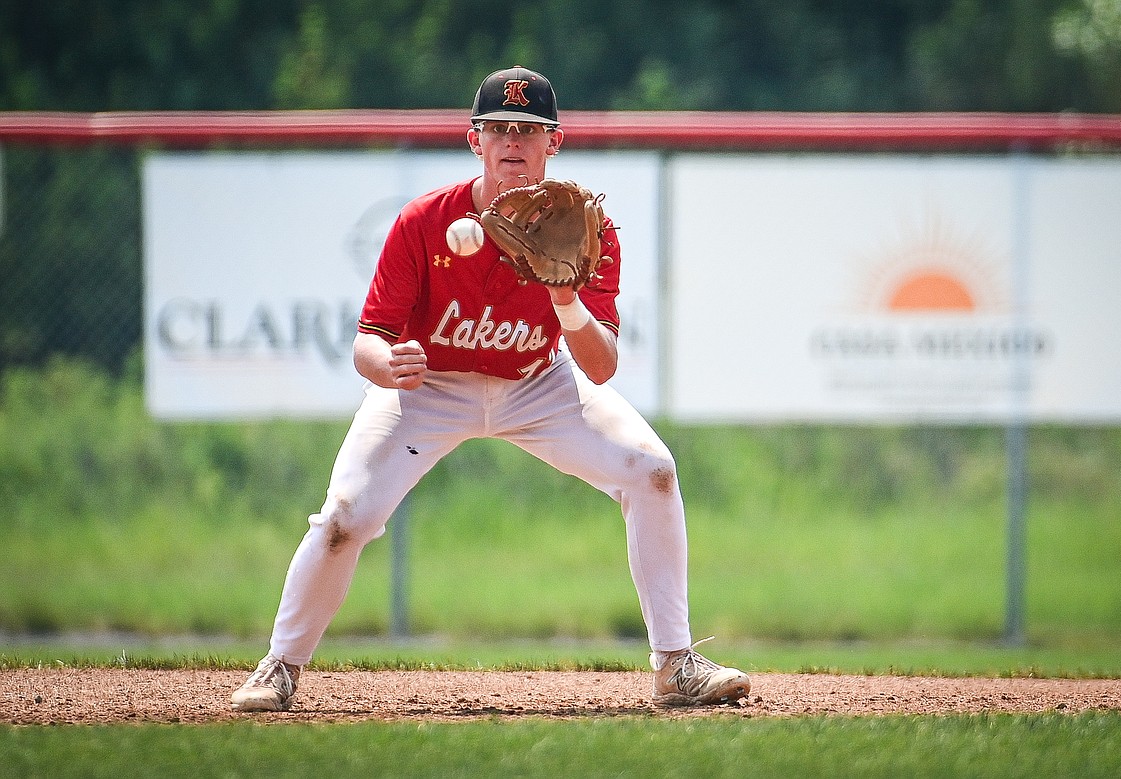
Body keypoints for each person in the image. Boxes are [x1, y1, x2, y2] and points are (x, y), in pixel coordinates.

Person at [230, 66, 751, 712]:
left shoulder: (586, 230)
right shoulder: (423, 223)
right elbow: (367, 340)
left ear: (553, 143)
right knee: (347, 515)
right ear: (474, 140)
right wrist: (388, 362)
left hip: (538, 383)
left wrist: (565, 298)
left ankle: (675, 666)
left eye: (528, 131)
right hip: (428, 388)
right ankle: (279, 666)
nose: (513, 142)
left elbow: (603, 365)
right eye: (499, 128)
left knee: (653, 470)